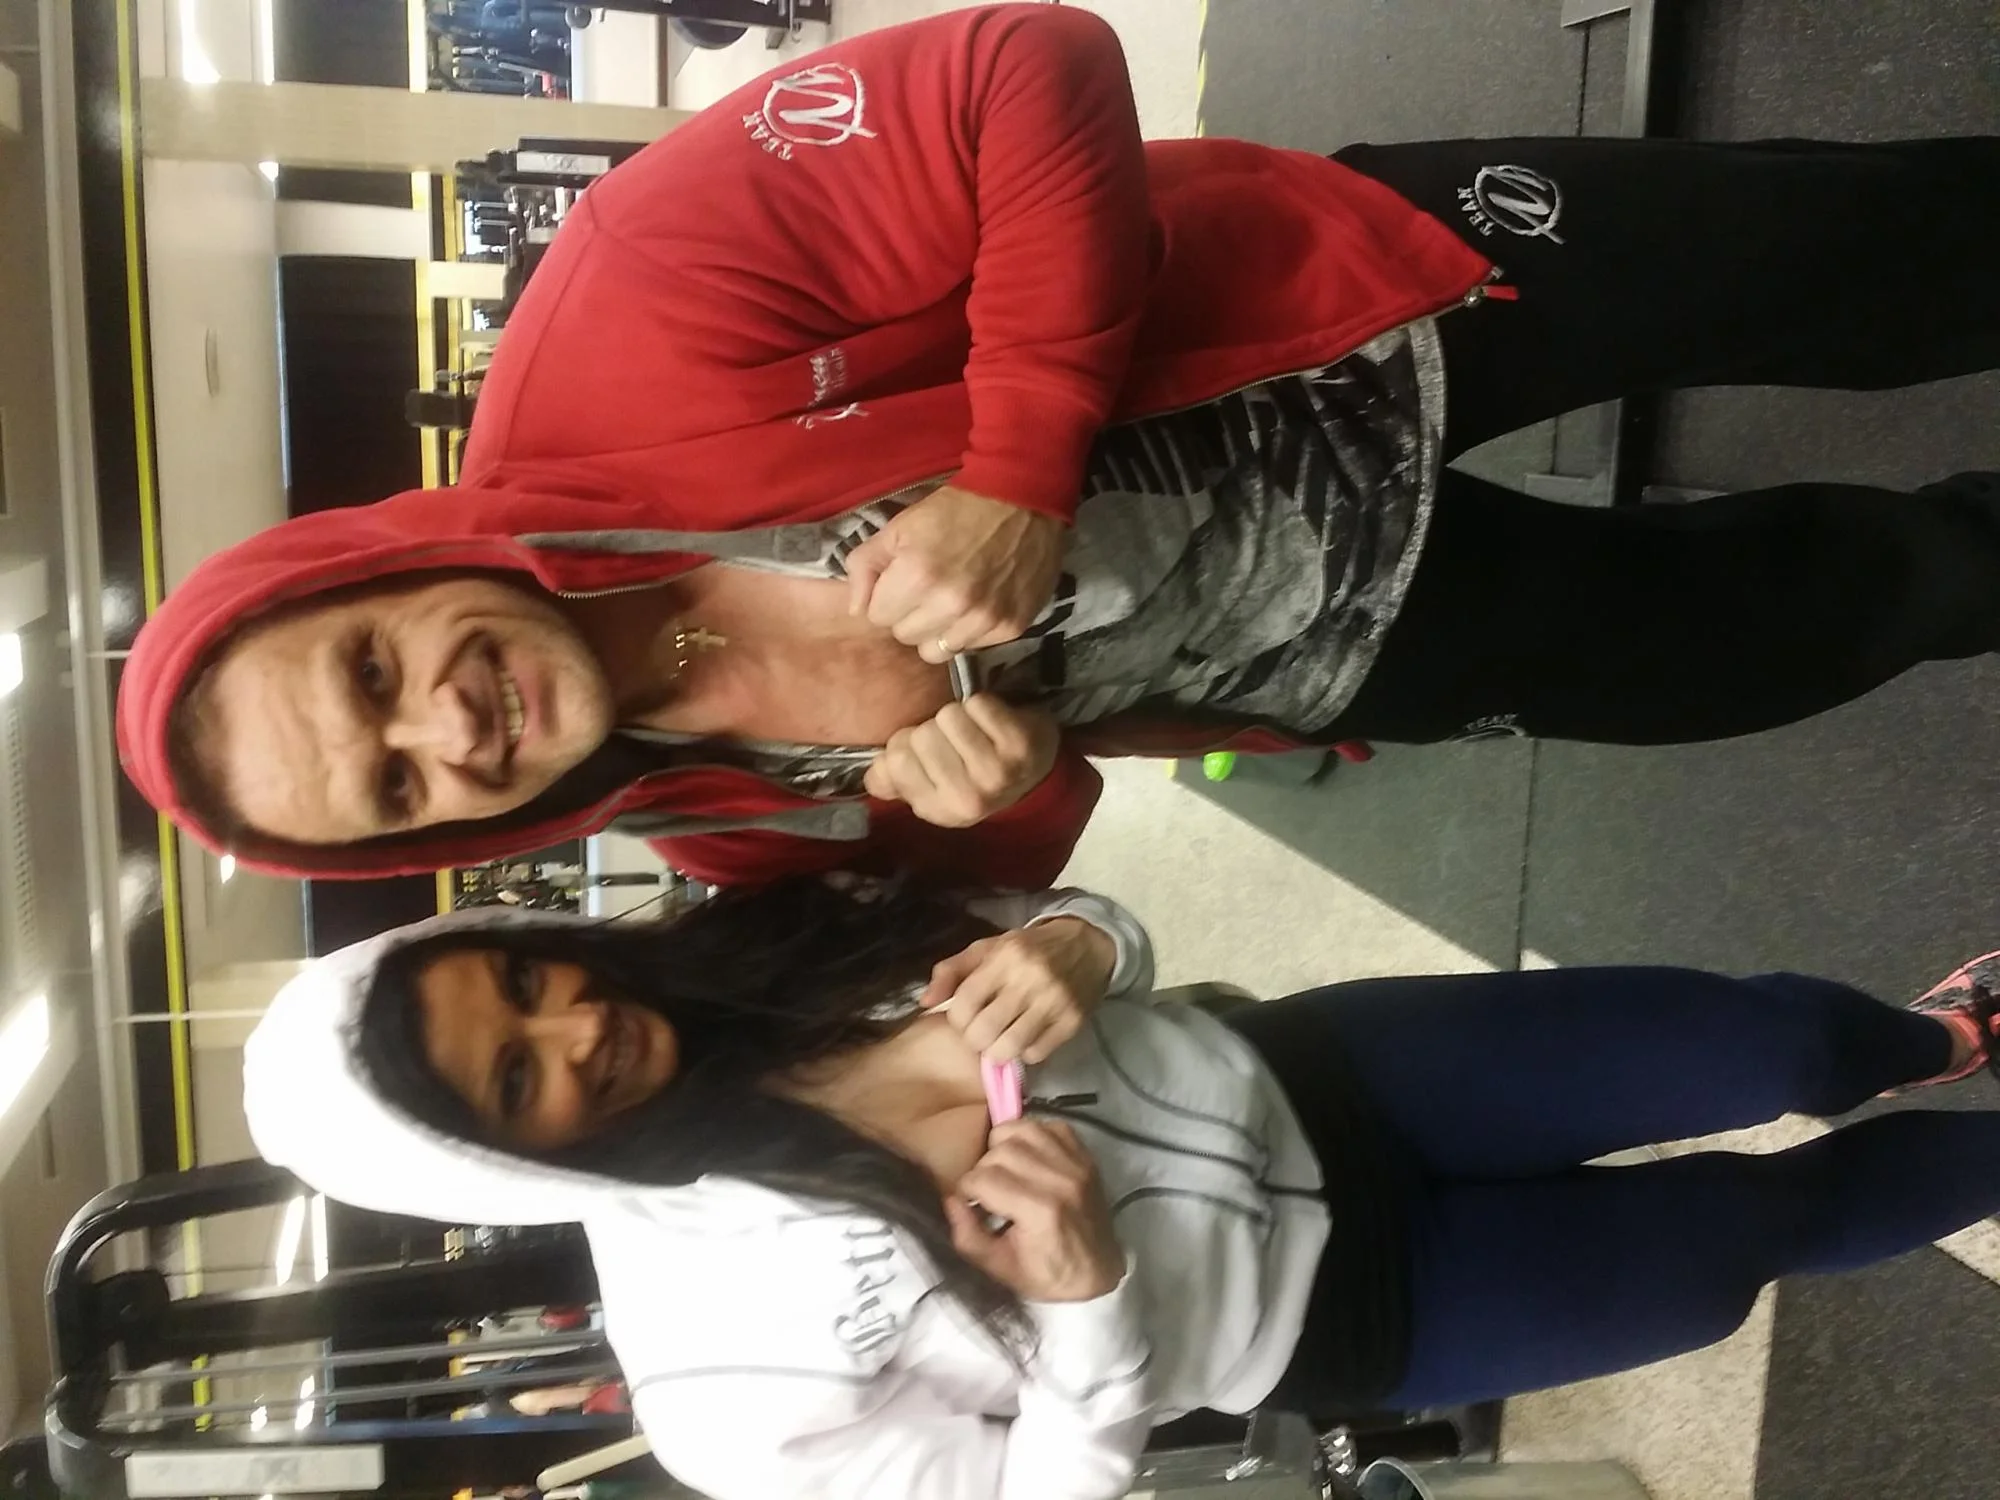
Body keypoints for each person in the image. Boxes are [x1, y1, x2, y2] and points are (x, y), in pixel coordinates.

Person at [118, 6, 2000, 888]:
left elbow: (1029, 64)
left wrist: (1018, 466)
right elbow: (1000, 875)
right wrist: (999, 785)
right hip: (1344, 646)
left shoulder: (623, 308)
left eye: (371, 673)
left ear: (364, 569)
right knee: (1858, 610)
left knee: (1886, 262)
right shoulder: (717, 825)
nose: (445, 730)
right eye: (394, 787)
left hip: (1374, 310)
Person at [245, 873, 2000, 1500]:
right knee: (1742, 1236)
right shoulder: (713, 1388)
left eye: (524, 981)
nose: (576, 1028)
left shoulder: (760, 952)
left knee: (1772, 1044)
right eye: (517, 1078)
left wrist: (1078, 945)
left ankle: (1930, 1042)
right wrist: (1083, 1311)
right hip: (1361, 1319)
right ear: (497, 1157)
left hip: (1336, 1072)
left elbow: (1084, 921)